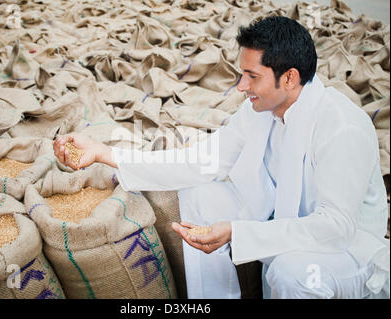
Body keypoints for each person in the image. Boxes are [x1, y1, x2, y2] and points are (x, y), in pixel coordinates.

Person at [53, 16, 389, 299]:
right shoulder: (259, 110)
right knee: (200, 196)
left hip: (348, 253)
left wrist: (238, 234)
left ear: (289, 78)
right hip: (280, 221)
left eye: (252, 76)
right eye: (242, 73)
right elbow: (201, 161)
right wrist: (104, 153)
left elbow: (336, 228)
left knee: (292, 272)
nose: (242, 86)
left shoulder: (342, 127)